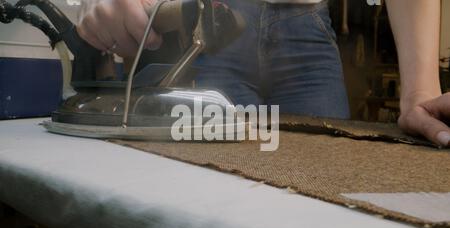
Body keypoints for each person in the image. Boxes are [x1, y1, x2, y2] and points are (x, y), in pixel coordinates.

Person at [77, 0, 450, 147]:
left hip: (308, 29)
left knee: (326, 179)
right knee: (219, 182)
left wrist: (420, 93)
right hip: (221, 24)